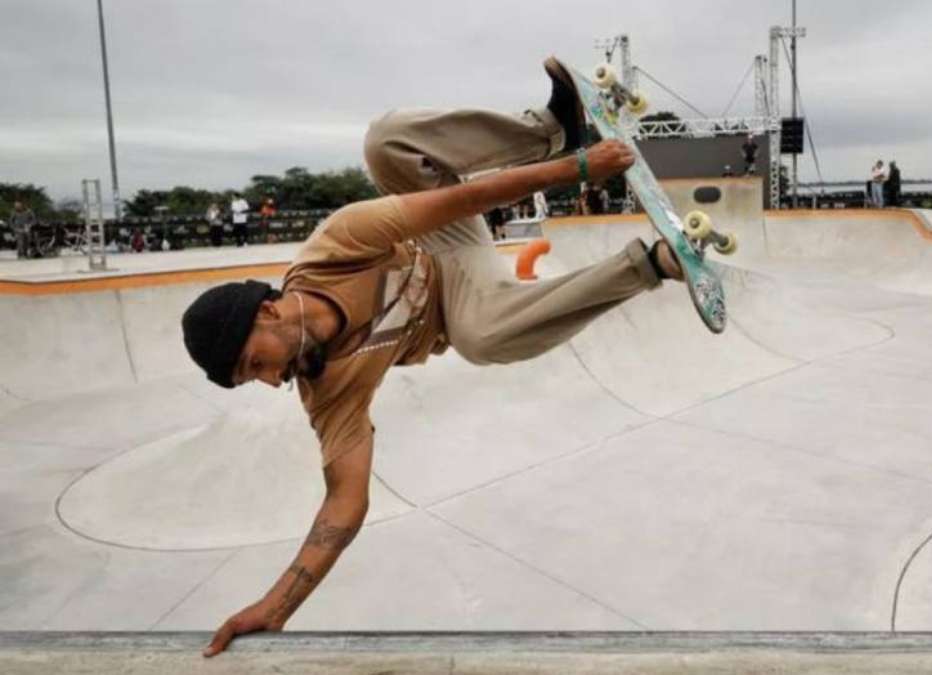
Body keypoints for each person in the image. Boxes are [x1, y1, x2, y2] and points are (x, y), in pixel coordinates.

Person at [181, 57, 685, 657]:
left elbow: (463, 199)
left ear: (266, 312)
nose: (271, 382)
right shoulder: (328, 393)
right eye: (253, 380)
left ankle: (552, 127)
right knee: (479, 338)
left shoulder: (338, 244)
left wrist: (574, 166)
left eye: (255, 364)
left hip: (445, 234)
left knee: (384, 143)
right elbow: (346, 501)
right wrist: (276, 605)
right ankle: (649, 265)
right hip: (459, 302)